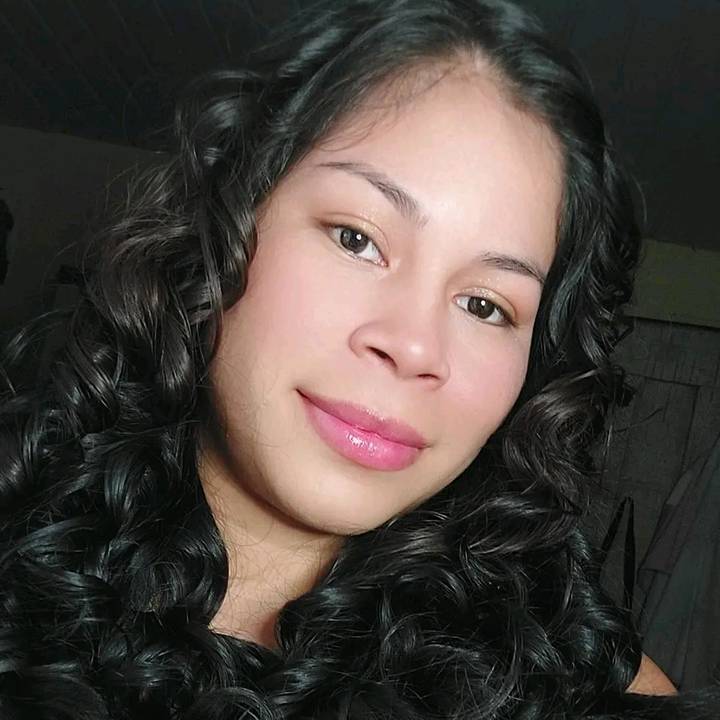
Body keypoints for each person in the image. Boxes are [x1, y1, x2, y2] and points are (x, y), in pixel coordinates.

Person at [0, 1, 717, 718]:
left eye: (484, 305)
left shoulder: (574, 677)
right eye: (356, 239)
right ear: (223, 223)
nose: (413, 347)